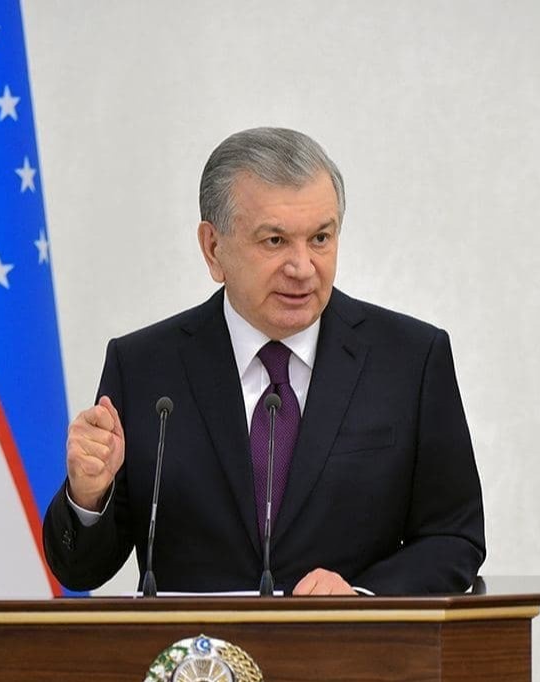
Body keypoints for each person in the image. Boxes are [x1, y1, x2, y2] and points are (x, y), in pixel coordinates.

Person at [42, 127, 485, 596]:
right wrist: (88, 495)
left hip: (351, 641)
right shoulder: (143, 367)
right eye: (275, 241)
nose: (302, 267)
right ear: (213, 248)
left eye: (320, 238)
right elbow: (81, 571)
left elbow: (454, 538)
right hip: (193, 645)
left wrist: (360, 599)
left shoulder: (410, 361)